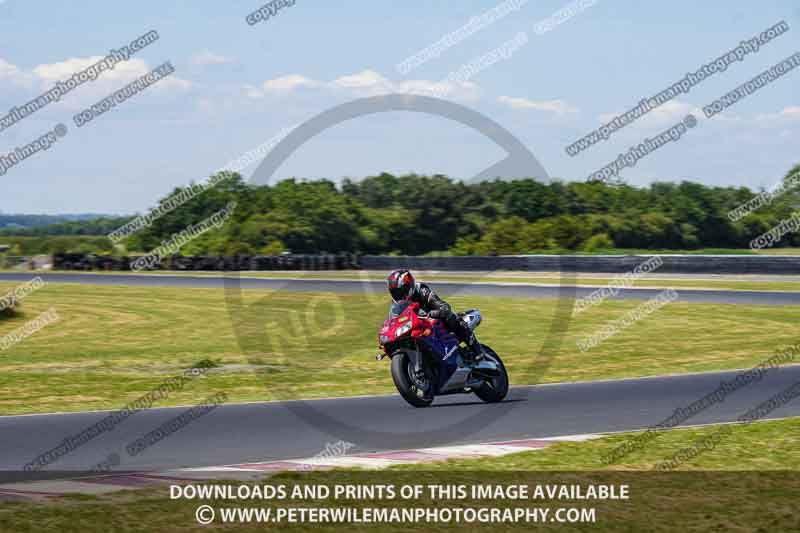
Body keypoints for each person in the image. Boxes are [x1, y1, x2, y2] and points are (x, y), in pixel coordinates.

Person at [386, 269, 483, 361]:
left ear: (409, 286)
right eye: (395, 292)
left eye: (401, 291)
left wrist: (433, 313)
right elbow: (394, 321)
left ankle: (477, 351)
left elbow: (442, 306)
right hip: (418, 328)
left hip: (435, 321)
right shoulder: (396, 305)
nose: (399, 295)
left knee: (451, 317)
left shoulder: (421, 290)